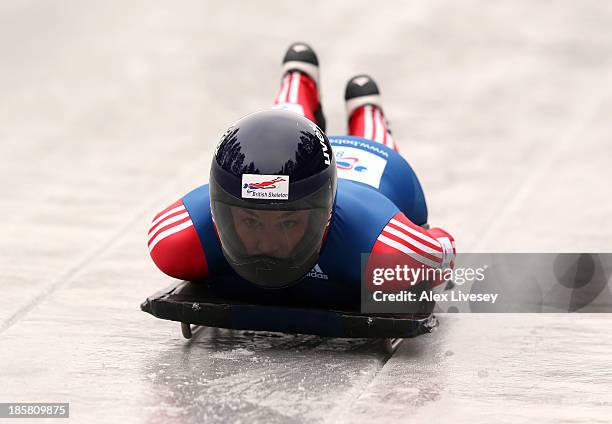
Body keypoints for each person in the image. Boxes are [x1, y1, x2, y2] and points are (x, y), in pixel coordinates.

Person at [147, 42, 455, 306]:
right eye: (251, 221)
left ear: (326, 216)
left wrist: (430, 244)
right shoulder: (178, 241)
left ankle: (365, 112)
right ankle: (302, 82)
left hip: (369, 175)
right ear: (218, 213)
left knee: (372, 150)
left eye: (289, 222)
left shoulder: (388, 252)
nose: (267, 245)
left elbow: (442, 252)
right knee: (280, 128)